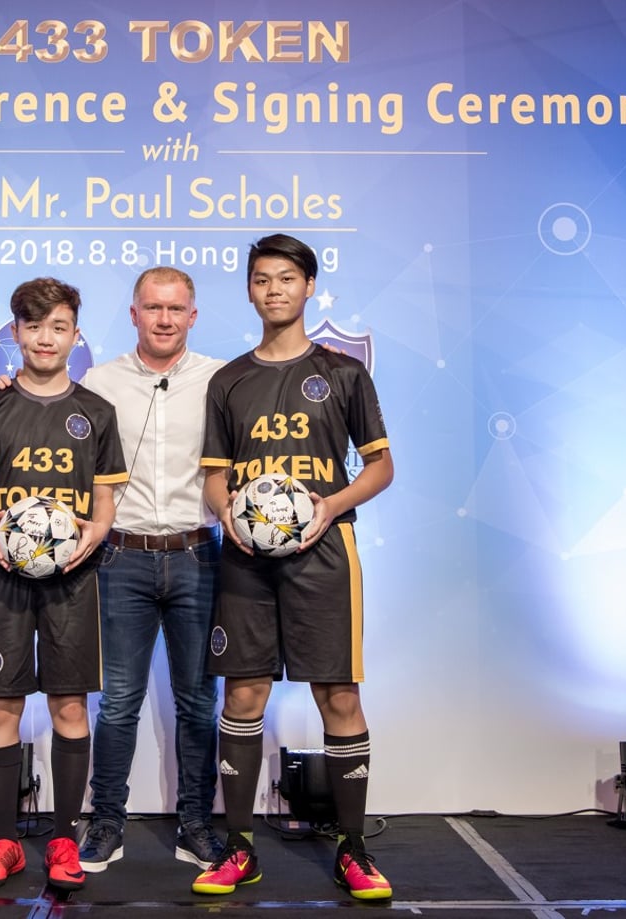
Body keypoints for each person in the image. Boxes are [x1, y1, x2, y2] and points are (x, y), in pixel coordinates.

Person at [193, 234, 395, 901]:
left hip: (326, 555)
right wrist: (229, 515)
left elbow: (380, 466)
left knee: (338, 694)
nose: (273, 289)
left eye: (286, 278)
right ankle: (240, 846)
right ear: (249, 290)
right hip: (247, 561)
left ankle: (354, 847)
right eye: (260, 279)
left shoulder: (342, 373)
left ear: (310, 287)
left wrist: (329, 505)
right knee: (243, 694)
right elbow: (214, 480)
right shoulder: (229, 380)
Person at [0, 276, 128, 892]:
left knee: (70, 704)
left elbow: (105, 503)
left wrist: (94, 534)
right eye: (32, 327)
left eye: (58, 327)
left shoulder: (96, 413)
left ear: (76, 335)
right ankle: (3, 842)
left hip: (73, 579)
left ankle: (60, 839)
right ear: (15, 335)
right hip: (2, 576)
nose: (45, 338)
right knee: (1, 704)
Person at [77, 267, 225, 872]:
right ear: (133, 314)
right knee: (117, 704)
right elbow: (50, 419)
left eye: (175, 309)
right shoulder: (99, 381)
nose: (163, 319)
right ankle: (105, 822)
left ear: (192, 316)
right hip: (121, 559)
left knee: (198, 704)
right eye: (152, 308)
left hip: (199, 556)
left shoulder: (220, 380)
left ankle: (196, 824)